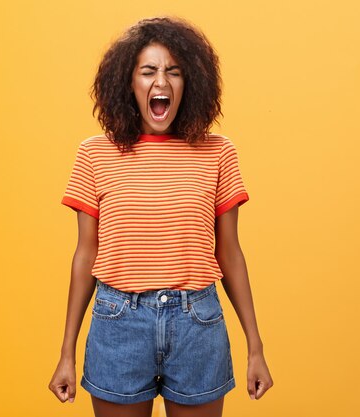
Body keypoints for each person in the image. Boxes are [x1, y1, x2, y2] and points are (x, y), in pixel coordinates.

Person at [48, 16, 273, 417]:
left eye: (174, 72)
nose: (161, 83)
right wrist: (66, 352)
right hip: (118, 323)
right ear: (127, 83)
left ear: (191, 83)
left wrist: (255, 346)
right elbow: (86, 255)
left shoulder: (218, 153)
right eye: (148, 71)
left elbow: (231, 253)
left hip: (197, 325)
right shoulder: (94, 154)